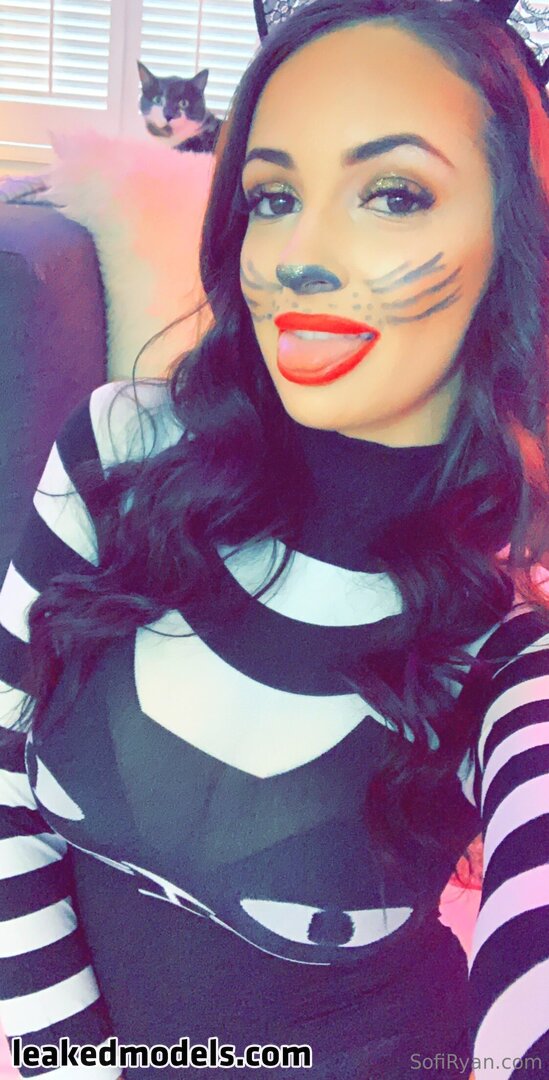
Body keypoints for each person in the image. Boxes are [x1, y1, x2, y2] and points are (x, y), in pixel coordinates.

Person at [1, 1, 548, 1077]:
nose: (297, 257)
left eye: (393, 193)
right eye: (273, 196)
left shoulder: (508, 624)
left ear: (514, 241)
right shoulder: (119, 453)